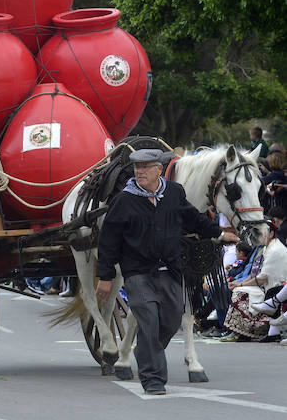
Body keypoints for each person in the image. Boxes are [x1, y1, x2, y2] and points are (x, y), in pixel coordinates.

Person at [96, 149, 238, 395]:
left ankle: (146, 351)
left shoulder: (173, 193)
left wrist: (218, 234)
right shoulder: (124, 200)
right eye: (136, 167)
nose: (139, 171)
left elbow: (193, 218)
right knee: (148, 320)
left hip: (171, 271)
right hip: (138, 273)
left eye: (145, 167)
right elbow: (108, 241)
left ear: (158, 170)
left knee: (172, 320)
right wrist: (106, 277)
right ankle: (153, 379)